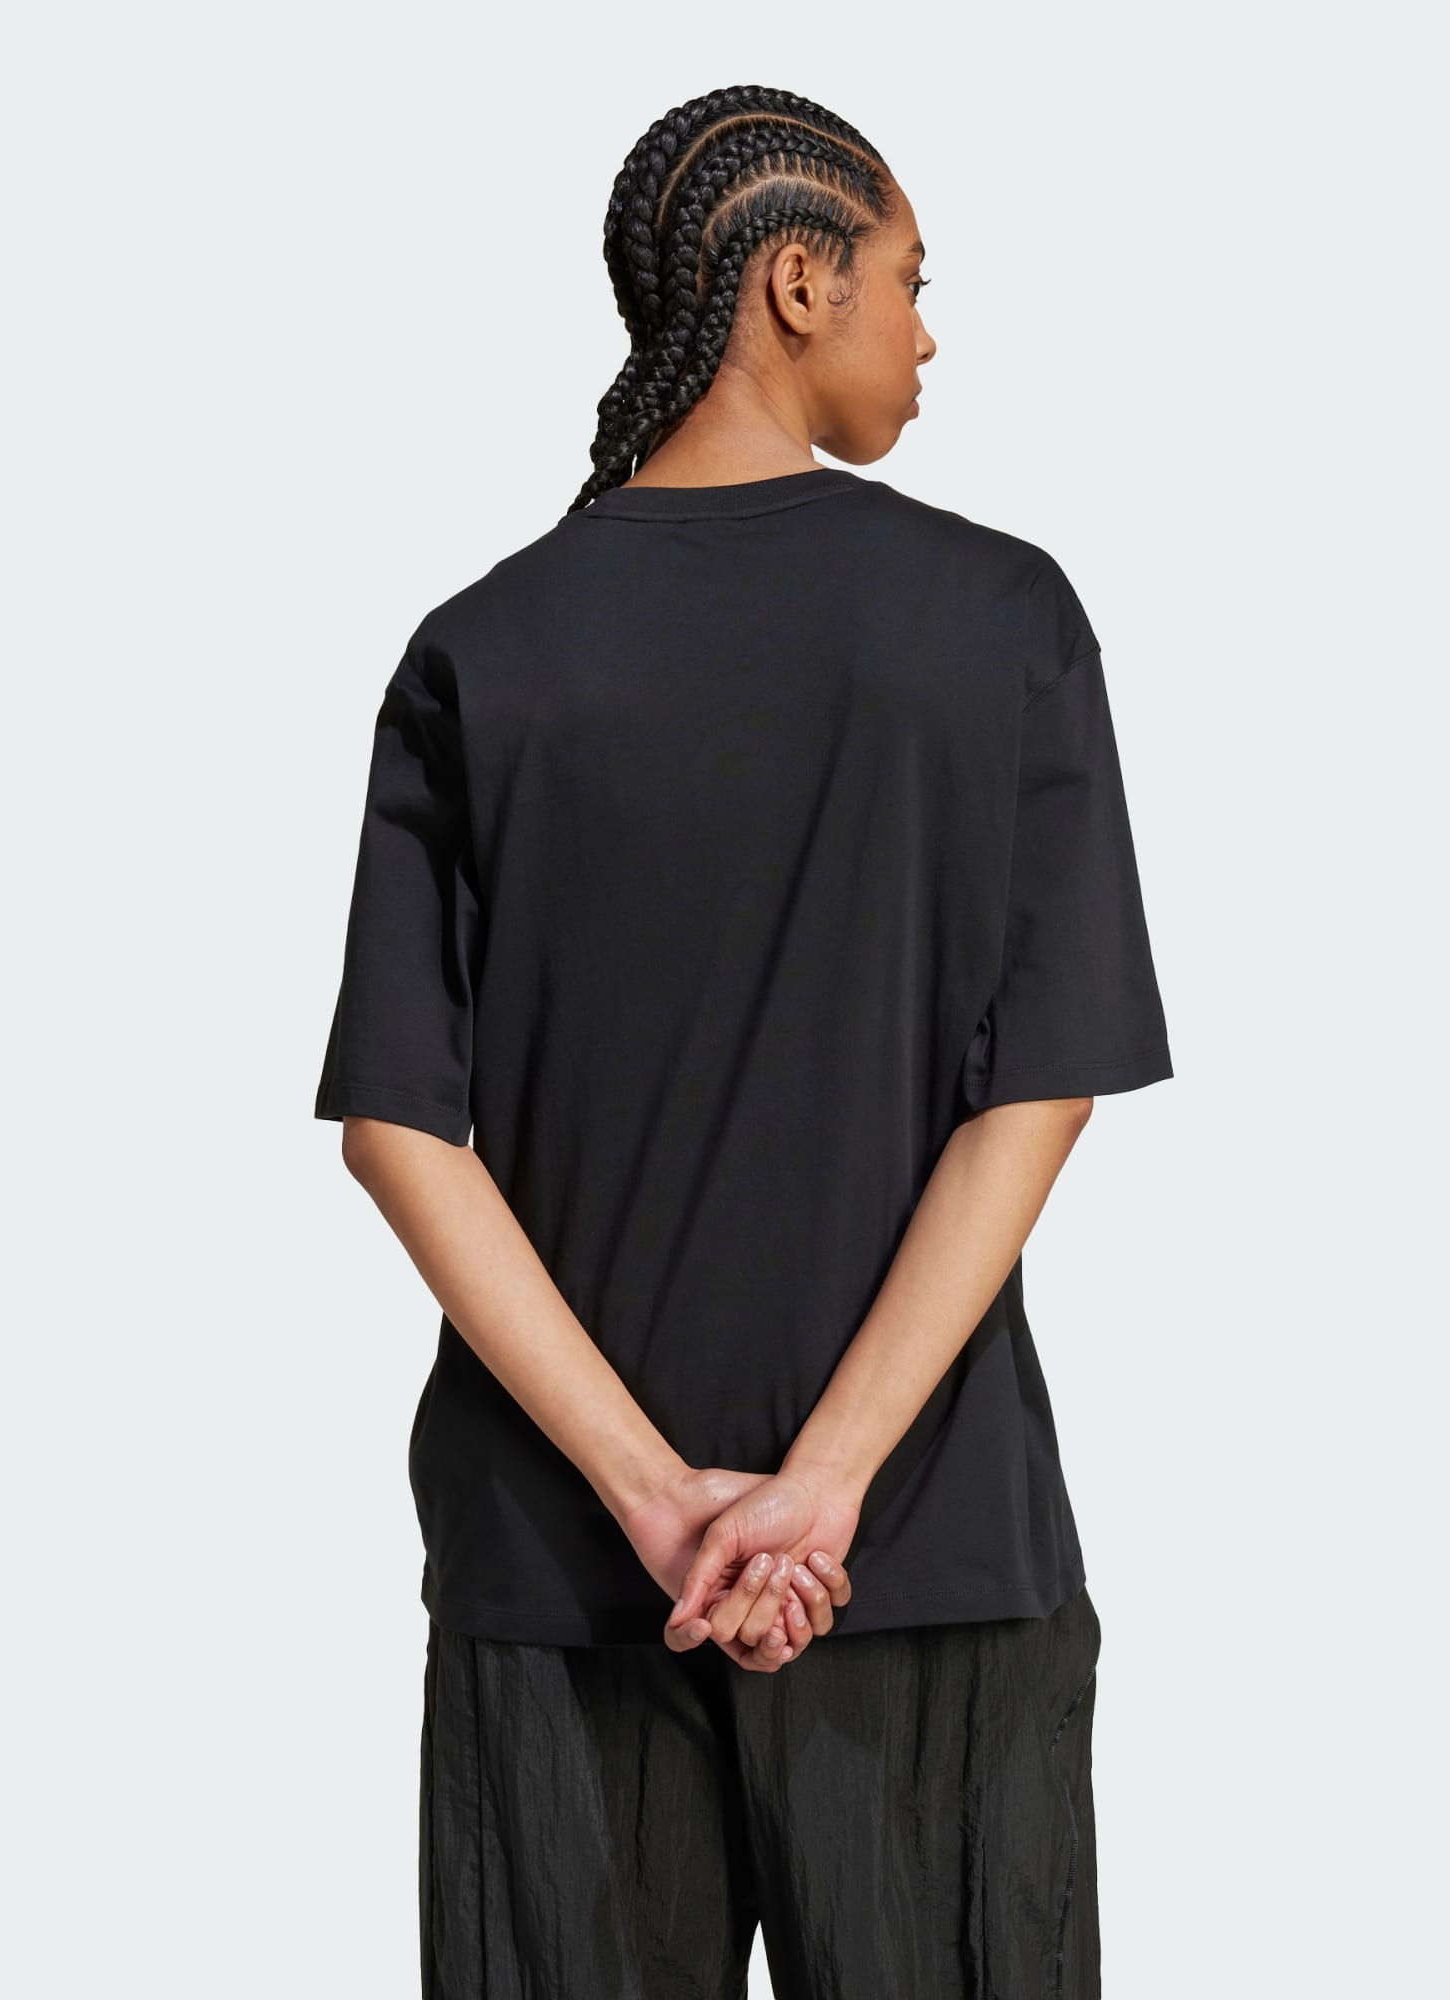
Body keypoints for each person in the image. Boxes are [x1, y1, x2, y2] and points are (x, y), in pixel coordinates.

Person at [314, 81, 1172, 2000]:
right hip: (926, 1550)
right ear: (798, 281)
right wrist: (828, 1488)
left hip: (564, 1573)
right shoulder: (1001, 619)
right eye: (909, 280)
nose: (927, 333)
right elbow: (1038, 1089)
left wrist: (653, 1500)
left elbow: (399, 1129)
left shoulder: (482, 650)